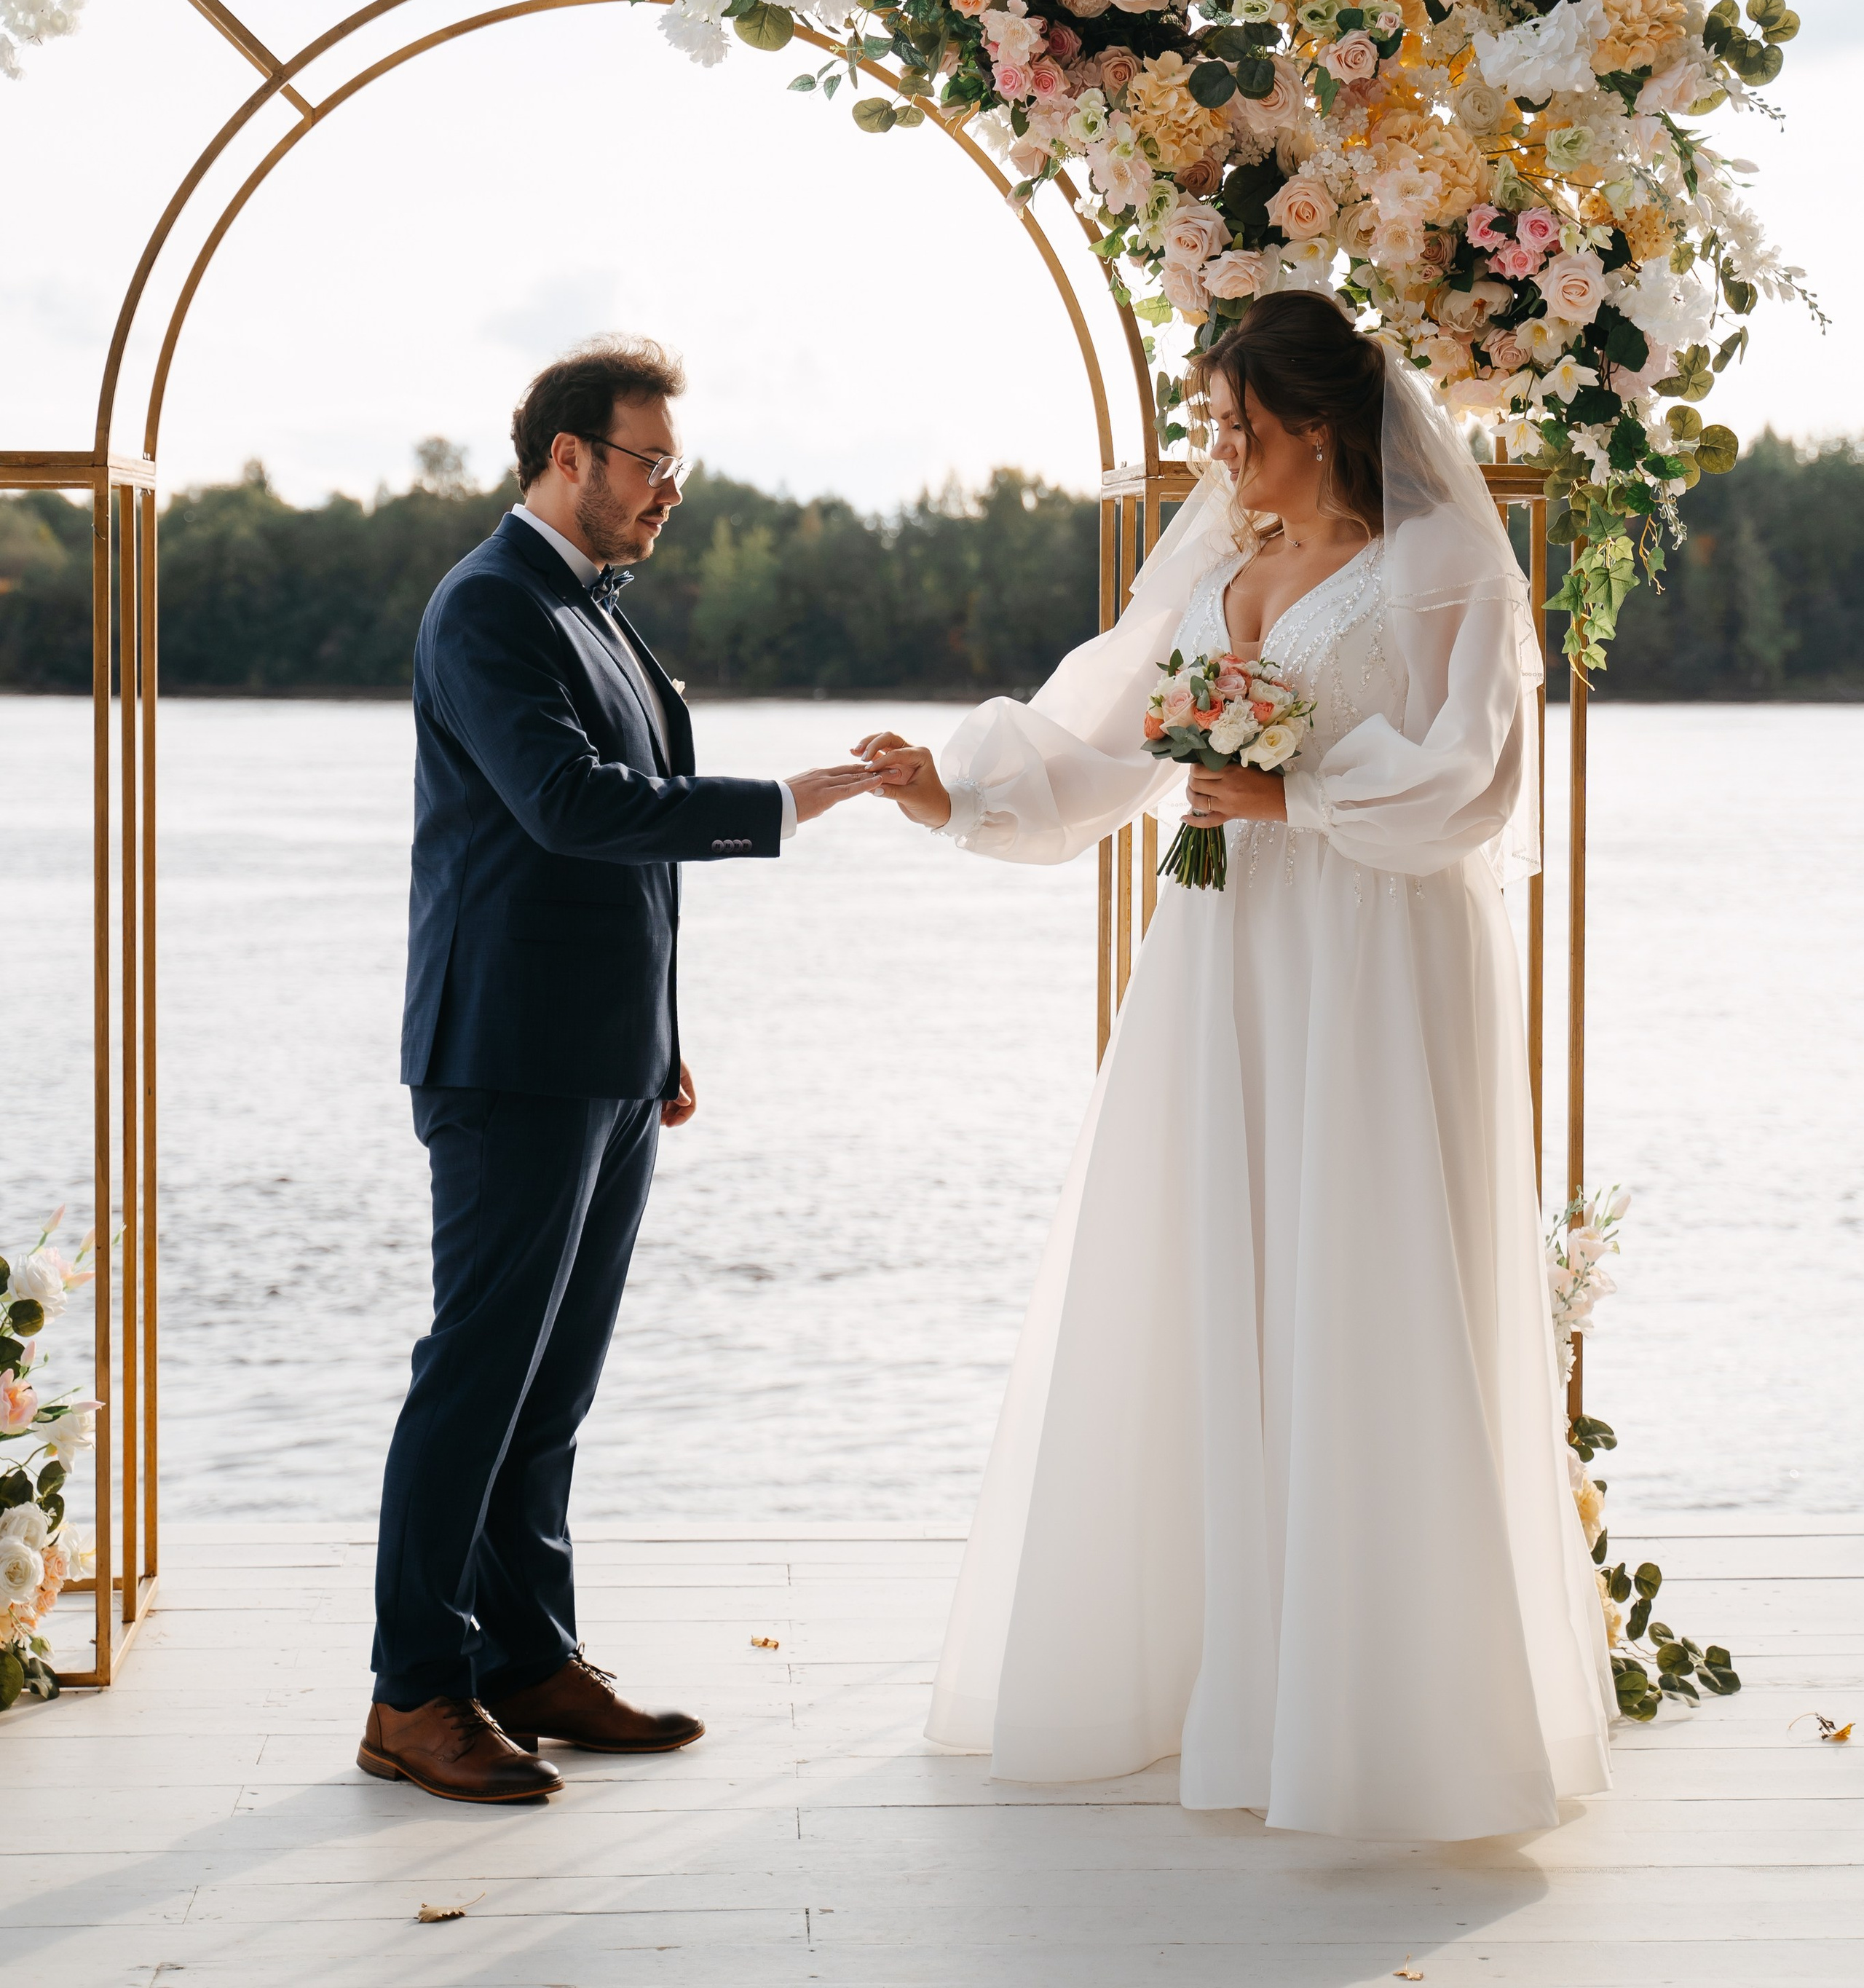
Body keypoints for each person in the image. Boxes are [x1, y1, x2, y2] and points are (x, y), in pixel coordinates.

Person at [858, 294, 1614, 1839]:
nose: (1218, 450)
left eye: (1235, 421)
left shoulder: (1444, 571)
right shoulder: (1212, 565)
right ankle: (1213, 1664)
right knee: (1209, 1263)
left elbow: (1472, 778)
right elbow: (1106, 729)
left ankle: (1382, 1705)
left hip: (1371, 952)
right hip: (1221, 952)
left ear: (1313, 420)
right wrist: (957, 790)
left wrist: (1306, 805)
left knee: (1362, 1271)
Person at [361, 336, 873, 1804]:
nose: (669, 492)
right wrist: (787, 800)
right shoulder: (488, 606)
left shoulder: (598, 614)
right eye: (650, 462)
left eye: (675, 468)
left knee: (553, 1385)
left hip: (604, 1056)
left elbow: (618, 868)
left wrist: (659, 1039)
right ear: (569, 454)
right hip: (507, 1055)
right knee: (475, 1376)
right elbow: (573, 809)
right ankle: (413, 1691)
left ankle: (527, 1657)